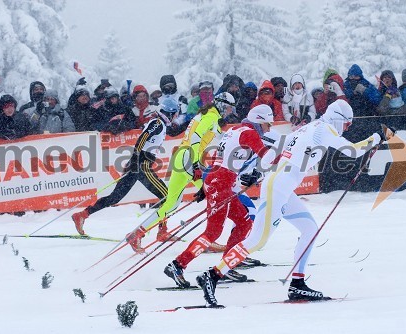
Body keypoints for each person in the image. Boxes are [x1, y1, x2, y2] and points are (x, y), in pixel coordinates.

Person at [196, 99, 395, 307]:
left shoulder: (312, 127)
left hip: (282, 186)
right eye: (347, 124)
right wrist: (377, 136)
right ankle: (212, 275)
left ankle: (298, 282)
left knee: (309, 229)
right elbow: (353, 151)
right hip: (278, 187)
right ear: (339, 119)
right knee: (257, 240)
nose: (347, 128)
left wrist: (257, 172)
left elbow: (281, 147)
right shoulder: (325, 129)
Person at [164, 105, 276, 288]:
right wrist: (287, 158)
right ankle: (178, 265)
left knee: (244, 220)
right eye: (267, 124)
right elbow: (266, 156)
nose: (268, 129)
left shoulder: (233, 130)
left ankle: (226, 266)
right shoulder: (249, 133)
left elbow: (218, 158)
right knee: (213, 232)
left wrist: (206, 183)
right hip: (220, 184)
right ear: (258, 121)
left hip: (220, 182)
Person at [125, 81, 226, 252]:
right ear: (223, 106)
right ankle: (208, 239)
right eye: (229, 109)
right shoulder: (211, 116)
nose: (230, 113)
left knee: (171, 204)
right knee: (214, 196)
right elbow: (195, 138)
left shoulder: (204, 114)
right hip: (189, 158)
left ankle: (137, 234)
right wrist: (195, 166)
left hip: (181, 156)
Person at [71, 101, 178, 235]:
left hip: (136, 164)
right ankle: (162, 232)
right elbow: (143, 137)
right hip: (142, 164)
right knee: (167, 197)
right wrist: (138, 156)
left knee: (115, 197)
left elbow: (173, 132)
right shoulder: (157, 123)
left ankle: (82, 215)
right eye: (175, 114)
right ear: (171, 113)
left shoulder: (159, 123)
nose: (175, 117)